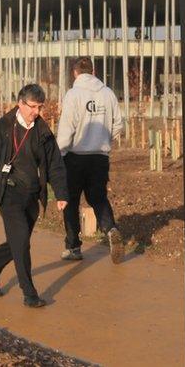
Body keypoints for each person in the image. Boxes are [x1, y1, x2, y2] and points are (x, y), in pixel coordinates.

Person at [0, 84, 68, 308]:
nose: (36, 112)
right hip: (8, 193)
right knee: (22, 245)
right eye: (33, 107)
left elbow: (56, 164)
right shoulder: (1, 128)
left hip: (31, 195)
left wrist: (61, 193)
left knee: (18, 242)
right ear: (20, 103)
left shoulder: (42, 131)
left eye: (40, 107)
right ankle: (29, 293)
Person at [56, 56, 125, 264]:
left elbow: (67, 128)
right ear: (93, 72)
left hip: (75, 157)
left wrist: (59, 153)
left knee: (71, 201)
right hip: (99, 157)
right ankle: (110, 228)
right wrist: (104, 140)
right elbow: (118, 124)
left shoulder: (73, 95)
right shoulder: (108, 93)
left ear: (75, 73)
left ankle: (73, 246)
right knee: (98, 197)